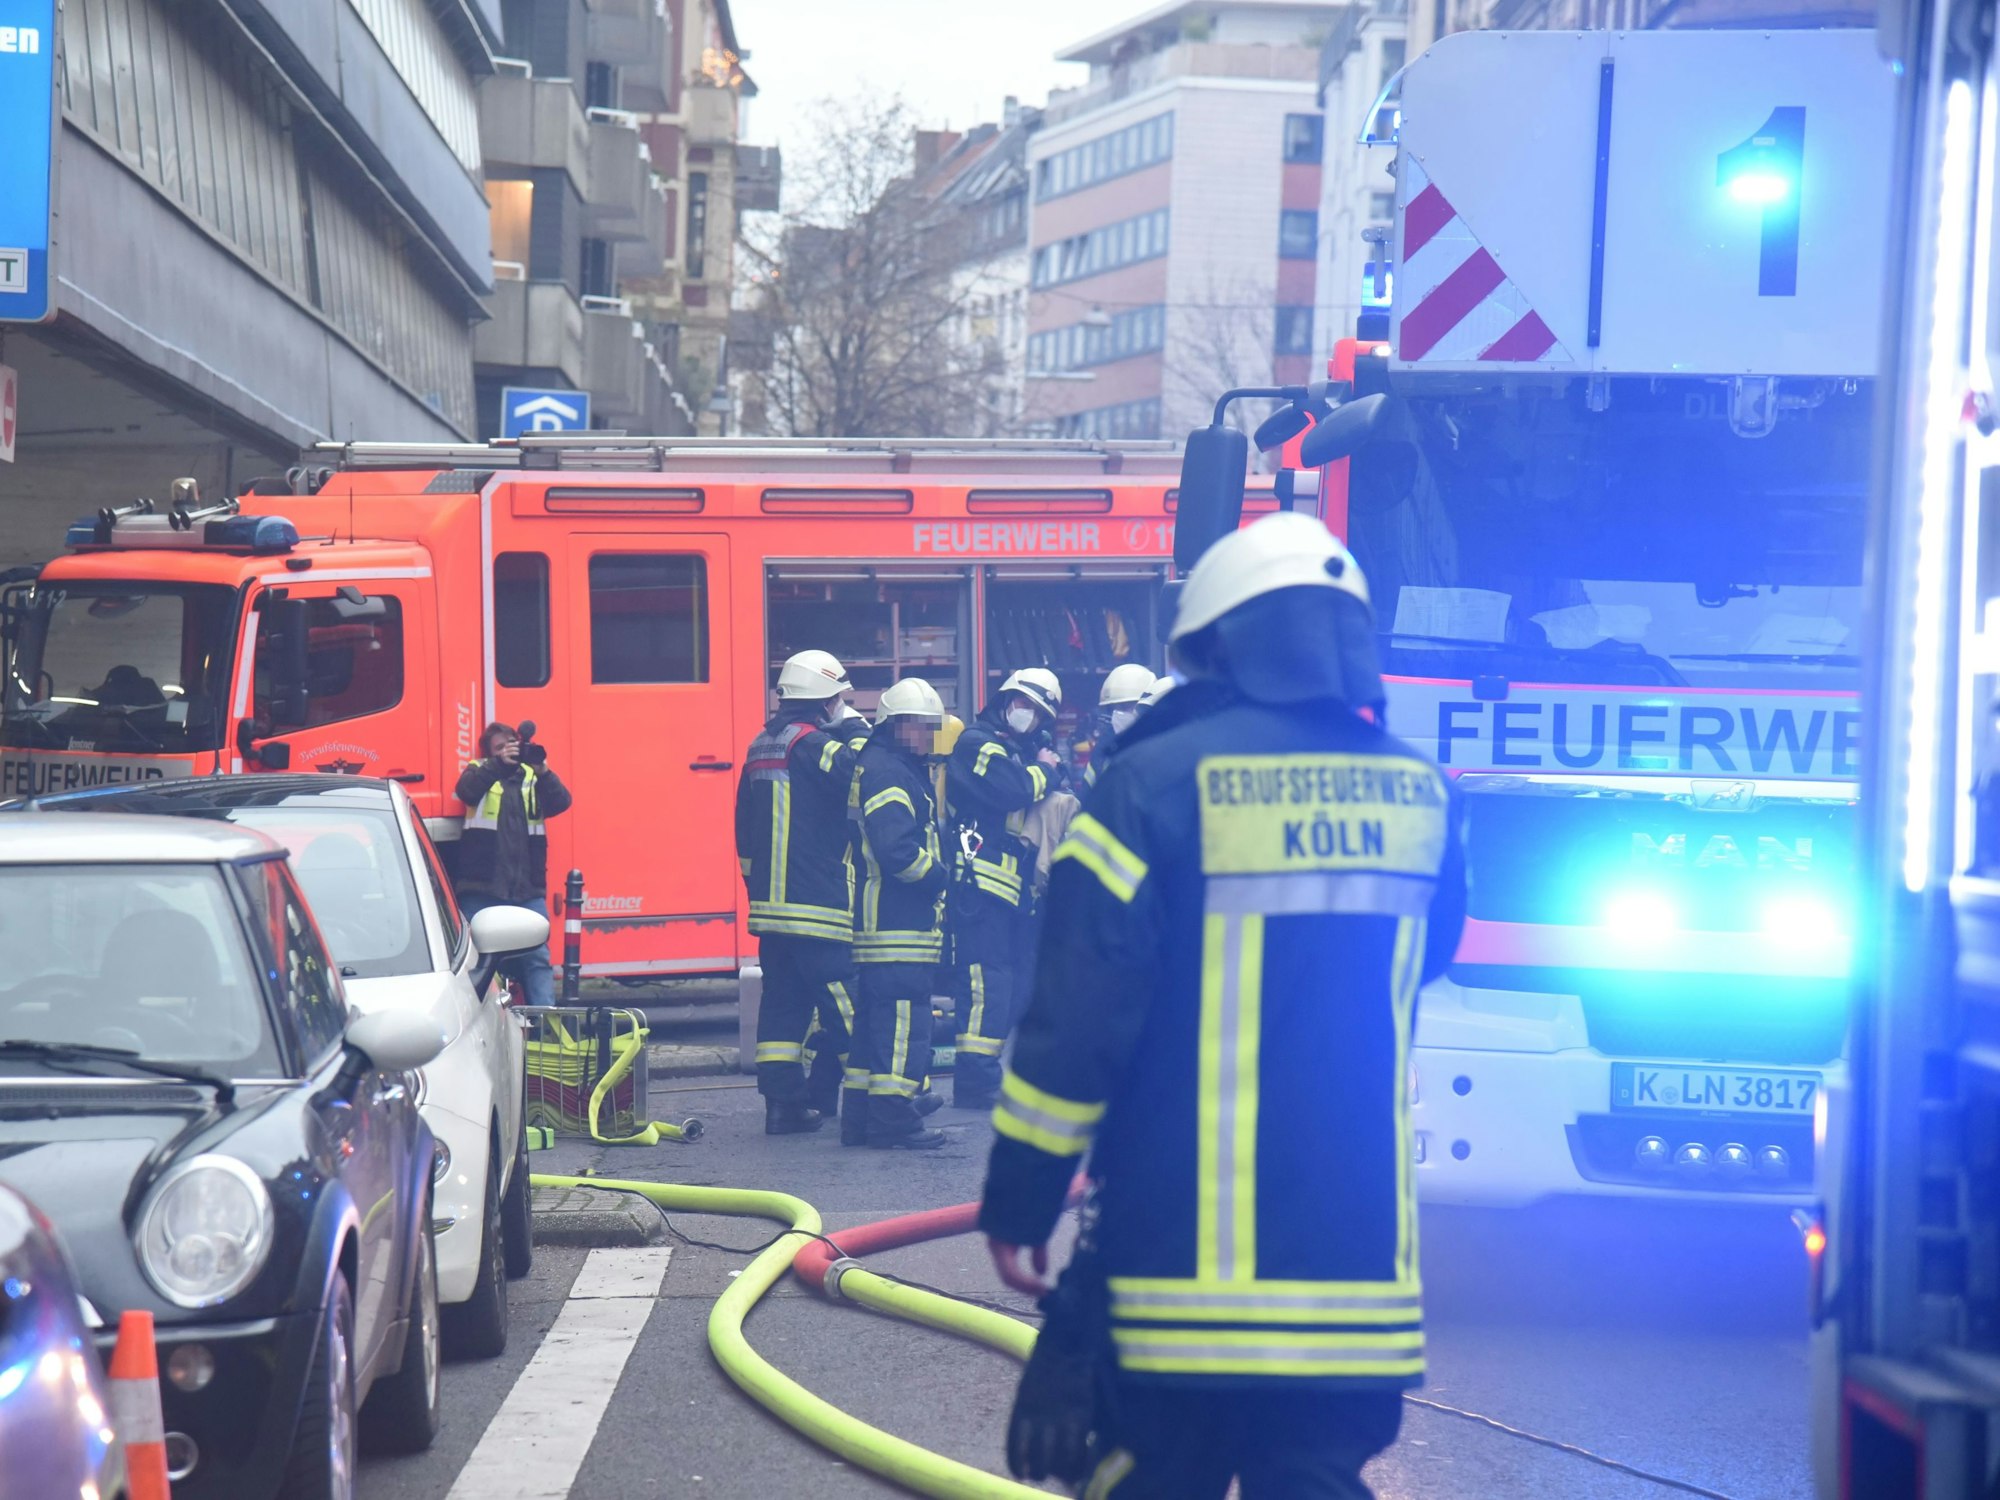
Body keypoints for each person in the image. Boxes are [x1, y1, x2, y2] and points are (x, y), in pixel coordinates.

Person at [979, 512, 1467, 1499]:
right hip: (1355, 1289)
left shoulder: (1148, 786)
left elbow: (1074, 1024)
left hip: (1177, 1281)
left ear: (1211, 646)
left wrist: (1022, 1200)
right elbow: (1425, 959)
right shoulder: (1425, 797)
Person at [735, 650, 865, 1135]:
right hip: (817, 905)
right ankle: (878, 1097)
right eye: (838, 699)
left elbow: (743, 828)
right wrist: (855, 728)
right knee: (843, 998)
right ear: (825, 701)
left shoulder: (758, 745)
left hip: (770, 907)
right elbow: (861, 774)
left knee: (783, 1004)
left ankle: (783, 1107)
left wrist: (756, 887)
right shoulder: (815, 745)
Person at [944, 667, 1066, 1112]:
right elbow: (1011, 790)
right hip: (977, 886)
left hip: (1008, 891)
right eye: (1025, 705)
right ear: (1007, 700)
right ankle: (974, 1080)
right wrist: (1046, 771)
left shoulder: (1014, 750)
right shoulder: (978, 744)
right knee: (985, 983)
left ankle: (987, 1074)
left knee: (1010, 985)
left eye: (1038, 713)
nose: (1029, 717)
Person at [851, 677, 952, 1149]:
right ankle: (895, 1121)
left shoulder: (890, 765)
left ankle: (860, 1117)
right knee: (900, 1025)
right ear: (896, 725)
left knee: (873, 1027)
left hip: (888, 924)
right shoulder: (889, 771)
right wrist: (938, 875)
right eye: (921, 727)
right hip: (896, 925)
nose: (928, 737)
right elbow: (897, 851)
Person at [454, 721, 574, 1007]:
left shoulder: (533, 777)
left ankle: (545, 1027)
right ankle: (475, 1021)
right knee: (475, 961)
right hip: (480, 888)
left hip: (526, 890)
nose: (508, 752)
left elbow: (561, 801)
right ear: (489, 753)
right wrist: (497, 764)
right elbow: (466, 791)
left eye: (511, 745)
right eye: (499, 747)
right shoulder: (479, 770)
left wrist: (543, 769)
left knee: (538, 959)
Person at [1085, 662, 1159, 788]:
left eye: (1128, 706)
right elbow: (1087, 794)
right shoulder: (1104, 748)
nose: (1119, 713)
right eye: (1116, 707)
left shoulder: (1162, 745)